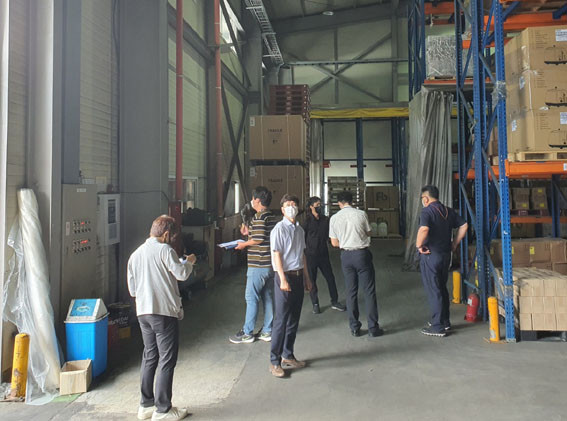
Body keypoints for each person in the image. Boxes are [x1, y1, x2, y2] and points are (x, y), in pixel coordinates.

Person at [127, 215, 197, 421]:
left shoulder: (136, 254)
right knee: (167, 359)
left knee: (150, 356)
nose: (172, 240)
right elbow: (181, 274)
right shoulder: (165, 250)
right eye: (172, 237)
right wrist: (189, 262)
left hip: (143, 312)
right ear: (166, 234)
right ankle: (163, 409)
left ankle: (146, 405)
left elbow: (132, 290)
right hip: (163, 312)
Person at [269, 194, 313, 378]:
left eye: (294, 204)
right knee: (281, 320)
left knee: (294, 318)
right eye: (287, 205)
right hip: (284, 277)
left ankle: (288, 354)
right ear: (282, 209)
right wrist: (282, 279)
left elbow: (302, 255)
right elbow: (276, 255)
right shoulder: (279, 230)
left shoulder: (300, 230)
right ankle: (274, 362)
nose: (291, 207)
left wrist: (307, 278)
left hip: (298, 276)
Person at [416, 185, 468, 337]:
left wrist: (418, 245)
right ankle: (445, 322)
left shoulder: (427, 211)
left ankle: (437, 326)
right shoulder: (448, 211)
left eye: (422, 198)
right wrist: (455, 243)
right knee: (441, 287)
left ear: (426, 198)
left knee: (434, 290)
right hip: (445, 255)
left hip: (431, 255)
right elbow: (464, 225)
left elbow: (424, 229)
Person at [329, 191, 382, 338]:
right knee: (369, 291)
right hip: (362, 254)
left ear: (339, 203)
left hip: (346, 256)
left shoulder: (334, 218)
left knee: (351, 292)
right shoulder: (361, 214)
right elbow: (369, 232)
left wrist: (345, 241)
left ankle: (354, 328)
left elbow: (334, 243)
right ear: (352, 201)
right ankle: (373, 328)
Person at [229, 186, 276, 344]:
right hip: (269, 264)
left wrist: (243, 244)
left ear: (257, 200)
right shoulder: (270, 216)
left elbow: (259, 239)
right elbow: (259, 235)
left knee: (251, 297)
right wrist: (248, 232)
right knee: (267, 297)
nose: (252, 201)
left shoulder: (260, 217)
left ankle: (247, 332)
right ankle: (268, 331)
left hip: (258, 264)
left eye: (253, 198)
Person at [302, 196, 346, 314]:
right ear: (311, 207)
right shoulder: (307, 222)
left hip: (323, 255)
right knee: (312, 281)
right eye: (317, 205)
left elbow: (330, 236)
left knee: (330, 278)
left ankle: (335, 301)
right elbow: (302, 239)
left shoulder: (326, 220)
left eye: (320, 204)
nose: (319, 207)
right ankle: (315, 304)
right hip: (310, 256)